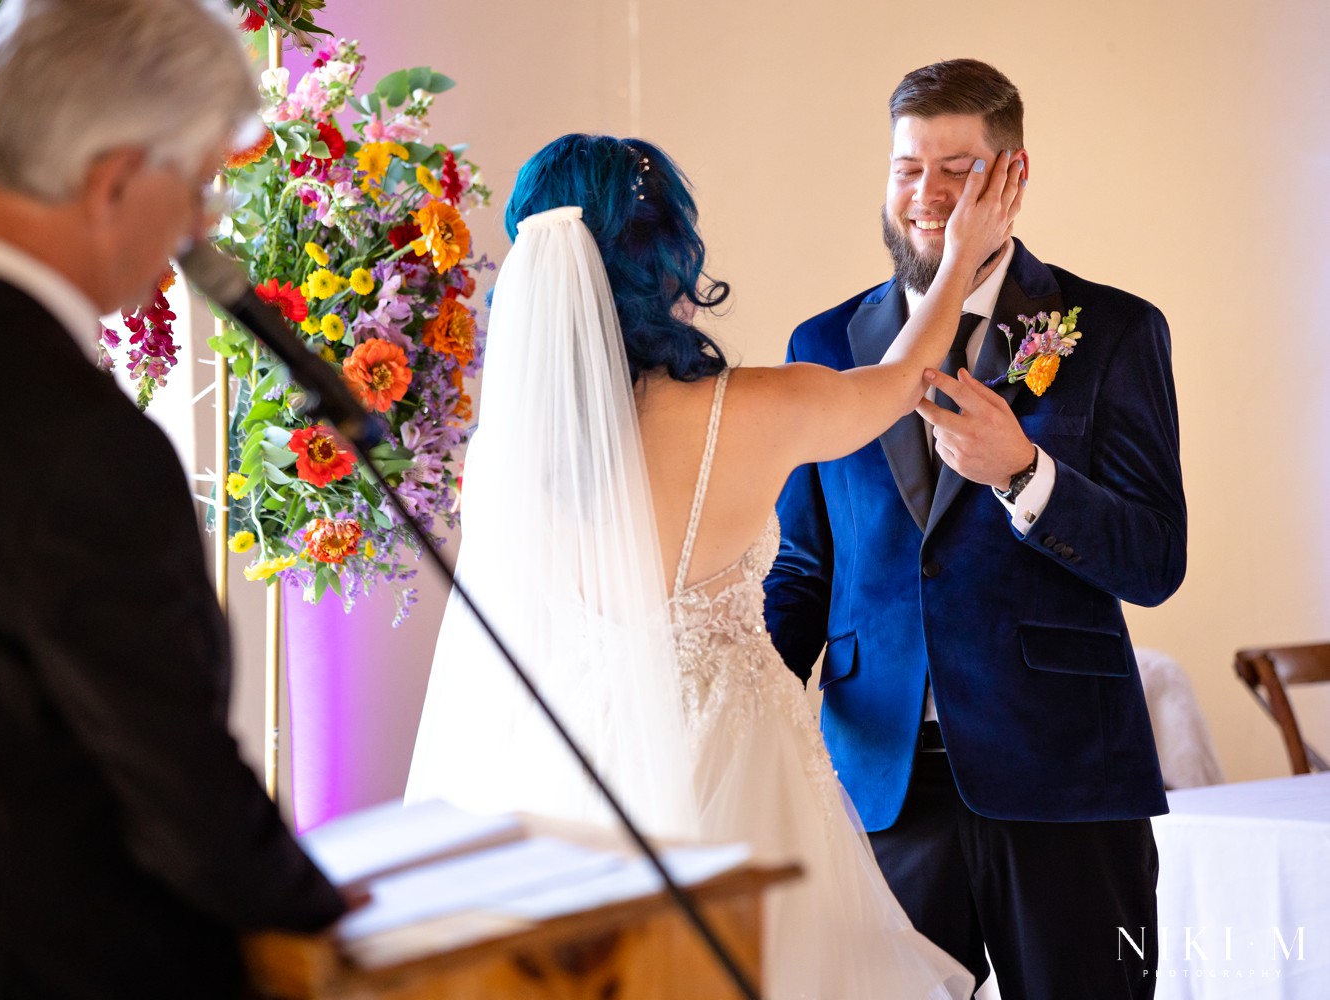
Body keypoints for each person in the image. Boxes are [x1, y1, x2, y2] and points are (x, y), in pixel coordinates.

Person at [406, 132, 1022, 998]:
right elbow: (907, 376)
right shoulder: (755, 410)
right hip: (742, 775)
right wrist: (959, 256)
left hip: (581, 785)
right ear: (668, 256)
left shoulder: (499, 461)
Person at [0, 1, 349, 996]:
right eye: (197, 184)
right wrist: (300, 898)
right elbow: (176, 784)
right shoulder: (80, 441)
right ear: (116, 180)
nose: (200, 228)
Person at [764, 59, 1185, 998]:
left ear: (1013, 177)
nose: (928, 196)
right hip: (882, 791)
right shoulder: (822, 349)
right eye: (908, 167)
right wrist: (730, 702)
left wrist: (1028, 477)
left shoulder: (1112, 331)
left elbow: (1156, 558)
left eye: (956, 169)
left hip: (1065, 784)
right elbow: (803, 568)